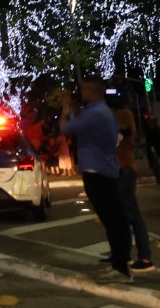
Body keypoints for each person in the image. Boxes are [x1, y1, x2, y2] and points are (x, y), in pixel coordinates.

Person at [61, 75, 132, 283]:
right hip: (105, 170)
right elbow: (78, 124)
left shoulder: (96, 113)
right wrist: (74, 110)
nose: (80, 93)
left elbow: (66, 128)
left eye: (83, 89)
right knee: (114, 220)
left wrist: (65, 110)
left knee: (112, 221)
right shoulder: (100, 111)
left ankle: (121, 268)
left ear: (92, 91)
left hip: (98, 173)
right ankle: (119, 261)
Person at [111, 98, 154, 273]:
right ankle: (129, 255)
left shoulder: (123, 118)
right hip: (124, 169)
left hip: (124, 169)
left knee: (132, 215)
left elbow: (120, 135)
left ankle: (145, 257)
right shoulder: (123, 119)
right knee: (125, 215)